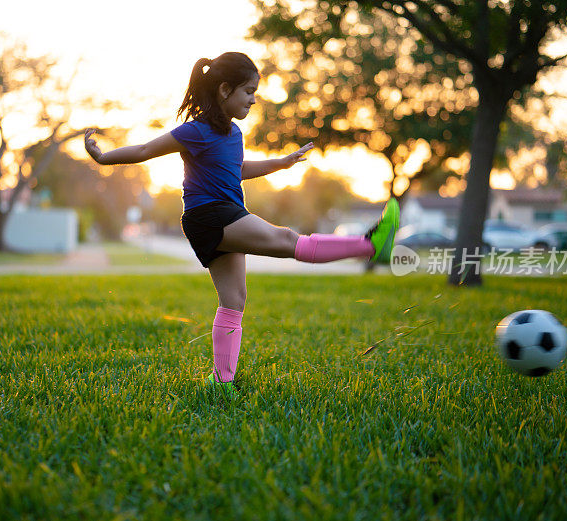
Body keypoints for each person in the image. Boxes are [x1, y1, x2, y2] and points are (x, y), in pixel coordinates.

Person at [85, 51, 399, 397]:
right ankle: (370, 244)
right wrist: (103, 157)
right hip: (211, 215)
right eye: (248, 91)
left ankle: (222, 383)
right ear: (224, 90)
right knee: (286, 239)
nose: (253, 99)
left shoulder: (233, 134)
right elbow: (145, 149)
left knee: (234, 300)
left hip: (221, 214)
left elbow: (237, 170)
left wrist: (281, 163)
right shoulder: (195, 131)